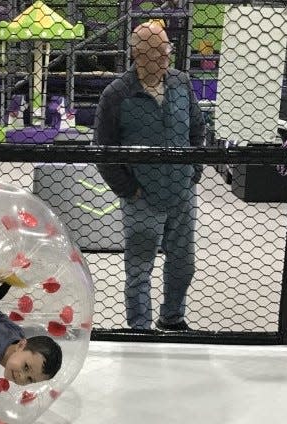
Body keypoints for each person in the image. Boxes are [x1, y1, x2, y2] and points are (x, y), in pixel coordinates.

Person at [93, 20, 204, 332]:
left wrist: (194, 171)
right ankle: (140, 328)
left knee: (184, 264)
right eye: (157, 52)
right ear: (137, 56)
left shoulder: (181, 83)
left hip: (182, 192)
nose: (165, 57)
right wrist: (129, 190)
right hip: (142, 197)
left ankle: (172, 318)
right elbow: (103, 150)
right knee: (140, 268)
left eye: (167, 49)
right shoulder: (116, 94)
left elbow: (197, 127)